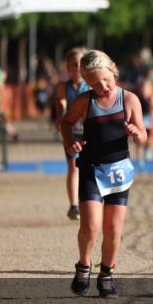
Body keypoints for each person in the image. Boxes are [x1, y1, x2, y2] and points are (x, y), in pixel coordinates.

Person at [59, 50, 148, 298]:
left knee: (113, 229)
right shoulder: (85, 101)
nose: (103, 86)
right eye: (95, 83)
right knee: (91, 225)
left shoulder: (129, 99)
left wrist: (136, 133)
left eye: (106, 79)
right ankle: (84, 265)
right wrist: (70, 143)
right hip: (91, 169)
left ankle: (106, 273)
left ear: (114, 71)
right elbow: (66, 123)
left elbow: (143, 135)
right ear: (87, 83)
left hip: (119, 172)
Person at [55, 47, 89, 220]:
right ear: (67, 67)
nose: (77, 68)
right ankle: (74, 205)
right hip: (72, 132)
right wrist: (60, 117)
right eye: (73, 64)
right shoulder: (63, 87)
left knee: (90, 168)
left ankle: (91, 202)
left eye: (80, 64)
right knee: (73, 167)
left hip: (90, 132)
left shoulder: (91, 85)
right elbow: (60, 104)